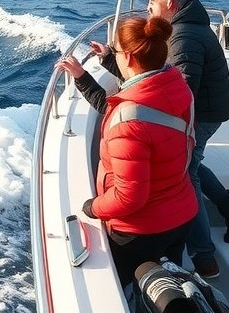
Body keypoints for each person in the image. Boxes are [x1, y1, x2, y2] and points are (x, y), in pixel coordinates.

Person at [78, 0, 229, 278]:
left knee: (188, 174)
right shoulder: (189, 25)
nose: (147, 8)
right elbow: (154, 78)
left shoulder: (182, 37)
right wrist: (112, 60)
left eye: (151, 2)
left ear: (169, 2)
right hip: (198, 109)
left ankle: (204, 256)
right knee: (187, 165)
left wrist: (93, 207)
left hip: (199, 113)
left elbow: (154, 103)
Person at [56, 16, 197, 289]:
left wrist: (93, 207)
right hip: (181, 215)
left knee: (126, 291)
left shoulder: (129, 120)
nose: (115, 55)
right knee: (169, 285)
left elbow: (130, 197)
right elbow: (136, 90)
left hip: (141, 232)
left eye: (116, 51)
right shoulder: (177, 86)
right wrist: (84, 77)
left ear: (129, 57)